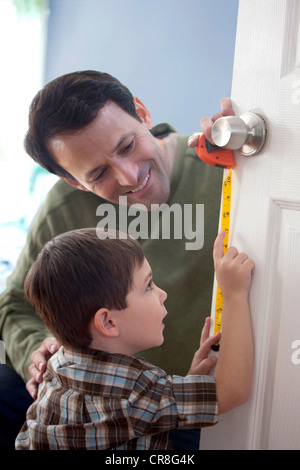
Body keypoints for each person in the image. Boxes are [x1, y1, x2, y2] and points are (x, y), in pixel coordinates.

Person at [0, 70, 235, 449]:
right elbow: (14, 304)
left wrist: (270, 152)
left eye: (127, 146)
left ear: (142, 113)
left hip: (191, 407)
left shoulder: (227, 168)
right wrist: (36, 350)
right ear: (74, 181)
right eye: (97, 173)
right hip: (100, 413)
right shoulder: (64, 209)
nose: (129, 177)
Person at [15, 228, 254, 450]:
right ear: (108, 322)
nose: (162, 293)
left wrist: (188, 384)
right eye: (148, 285)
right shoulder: (135, 392)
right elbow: (231, 392)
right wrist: (234, 294)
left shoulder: (57, 363)